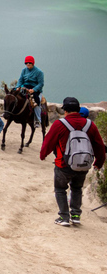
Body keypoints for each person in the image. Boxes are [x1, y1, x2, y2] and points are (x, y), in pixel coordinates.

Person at [40, 97, 105, 227]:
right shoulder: (90, 125)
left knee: (60, 189)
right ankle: (75, 215)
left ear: (65, 111)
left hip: (63, 164)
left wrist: (43, 155)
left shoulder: (59, 124)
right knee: (77, 188)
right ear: (78, 109)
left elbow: (48, 142)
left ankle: (64, 217)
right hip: (83, 165)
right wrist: (99, 162)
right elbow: (99, 145)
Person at [14, 55, 44, 128]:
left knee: (36, 102)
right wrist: (18, 87)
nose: (28, 64)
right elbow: (20, 80)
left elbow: (41, 84)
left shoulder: (39, 72)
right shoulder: (24, 70)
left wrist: (34, 90)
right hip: (25, 88)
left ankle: (37, 120)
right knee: (13, 96)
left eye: (29, 63)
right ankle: (11, 114)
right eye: (26, 63)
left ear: (33, 63)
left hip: (34, 89)